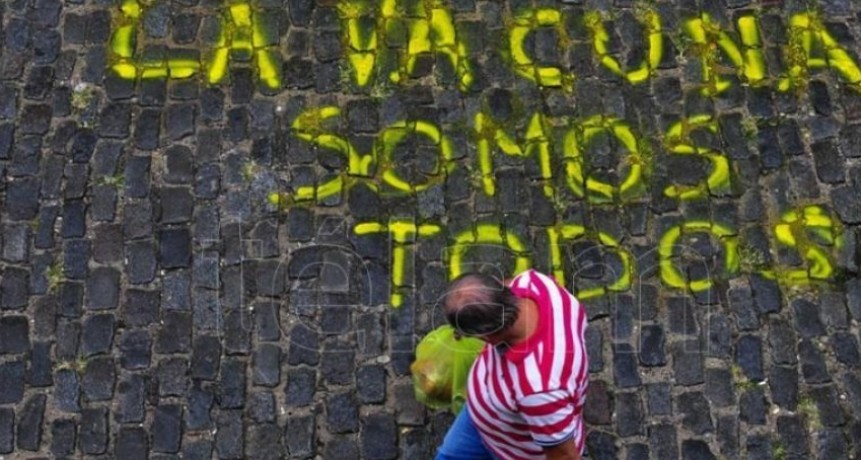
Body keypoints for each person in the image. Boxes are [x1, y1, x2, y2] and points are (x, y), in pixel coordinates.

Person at [435, 269, 589, 460]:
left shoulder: (538, 390)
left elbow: (564, 456)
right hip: (486, 421)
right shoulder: (534, 281)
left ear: (486, 336)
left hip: (514, 449)